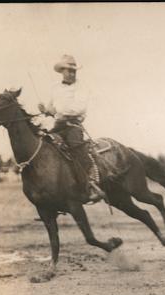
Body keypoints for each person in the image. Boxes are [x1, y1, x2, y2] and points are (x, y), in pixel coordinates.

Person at [38, 55, 105, 203]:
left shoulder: (82, 87)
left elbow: (78, 109)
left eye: (74, 71)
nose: (72, 73)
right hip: (57, 126)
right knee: (44, 147)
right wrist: (45, 110)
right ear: (62, 71)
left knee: (77, 148)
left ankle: (90, 185)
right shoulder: (54, 88)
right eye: (69, 70)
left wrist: (56, 111)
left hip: (72, 125)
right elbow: (51, 108)